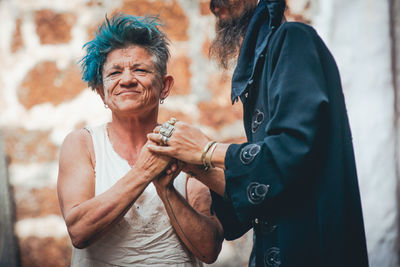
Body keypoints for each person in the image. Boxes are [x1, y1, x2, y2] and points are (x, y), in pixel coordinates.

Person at [147, 0, 369, 266]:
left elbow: (291, 150)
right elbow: (267, 186)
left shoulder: (294, 38)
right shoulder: (262, 69)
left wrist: (207, 149)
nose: (212, 4)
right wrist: (195, 166)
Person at [57, 13, 223, 267]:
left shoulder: (187, 144)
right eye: (114, 73)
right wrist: (145, 171)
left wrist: (166, 189)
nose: (127, 79)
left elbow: (209, 250)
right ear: (102, 92)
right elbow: (79, 231)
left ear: (164, 87)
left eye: (140, 69)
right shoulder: (83, 144)